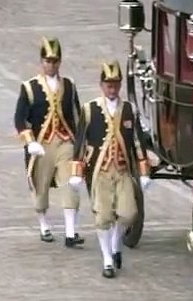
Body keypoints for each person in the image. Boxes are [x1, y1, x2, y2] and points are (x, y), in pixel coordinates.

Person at [69, 61, 151, 278]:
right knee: (103, 216)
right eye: (108, 85)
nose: (112, 89)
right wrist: (77, 172)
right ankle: (107, 258)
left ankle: (116, 243)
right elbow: (80, 142)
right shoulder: (90, 109)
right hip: (100, 172)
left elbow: (137, 141)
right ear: (102, 85)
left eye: (115, 85)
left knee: (129, 213)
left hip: (123, 170)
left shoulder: (129, 110)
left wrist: (144, 170)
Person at [14, 38, 84, 247]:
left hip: (64, 142)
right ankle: (44, 225)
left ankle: (71, 233)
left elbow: (76, 115)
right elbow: (20, 118)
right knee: (40, 186)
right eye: (48, 61)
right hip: (42, 145)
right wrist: (29, 141)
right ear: (42, 62)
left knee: (69, 184)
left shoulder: (69, 86)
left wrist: (82, 144)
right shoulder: (29, 87)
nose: (51, 65)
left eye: (55, 61)